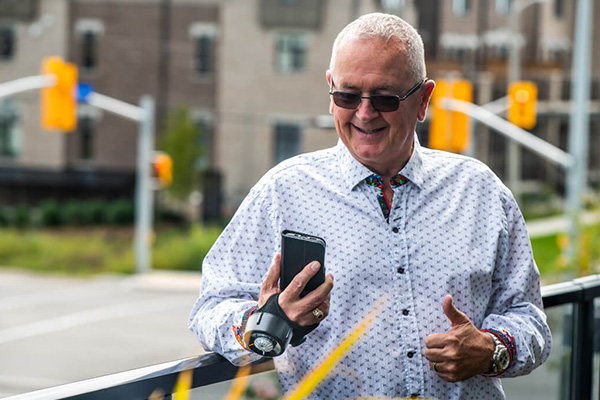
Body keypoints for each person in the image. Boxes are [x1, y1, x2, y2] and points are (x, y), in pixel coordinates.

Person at [189, 12, 551, 399]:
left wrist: (492, 349)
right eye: (347, 95)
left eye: (384, 97)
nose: (364, 113)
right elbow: (210, 308)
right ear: (330, 92)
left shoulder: (481, 192)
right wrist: (261, 322)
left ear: (424, 100)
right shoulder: (283, 191)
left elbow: (530, 319)